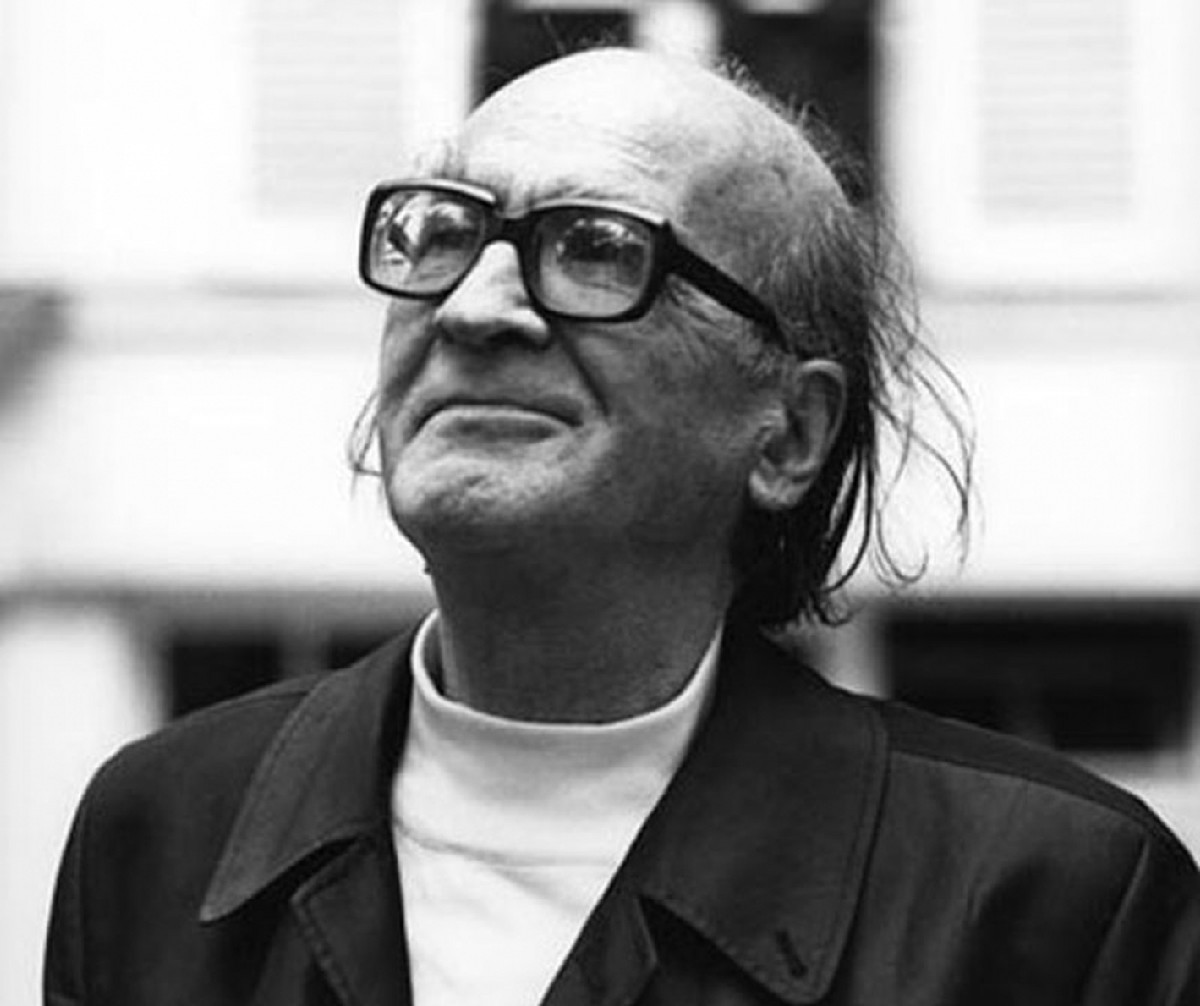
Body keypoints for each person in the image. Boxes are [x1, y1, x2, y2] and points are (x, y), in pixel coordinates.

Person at [44, 47, 1199, 1006]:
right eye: (440, 232)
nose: (473, 307)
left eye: (595, 248)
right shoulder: (161, 829)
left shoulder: (1055, 899)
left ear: (789, 433)